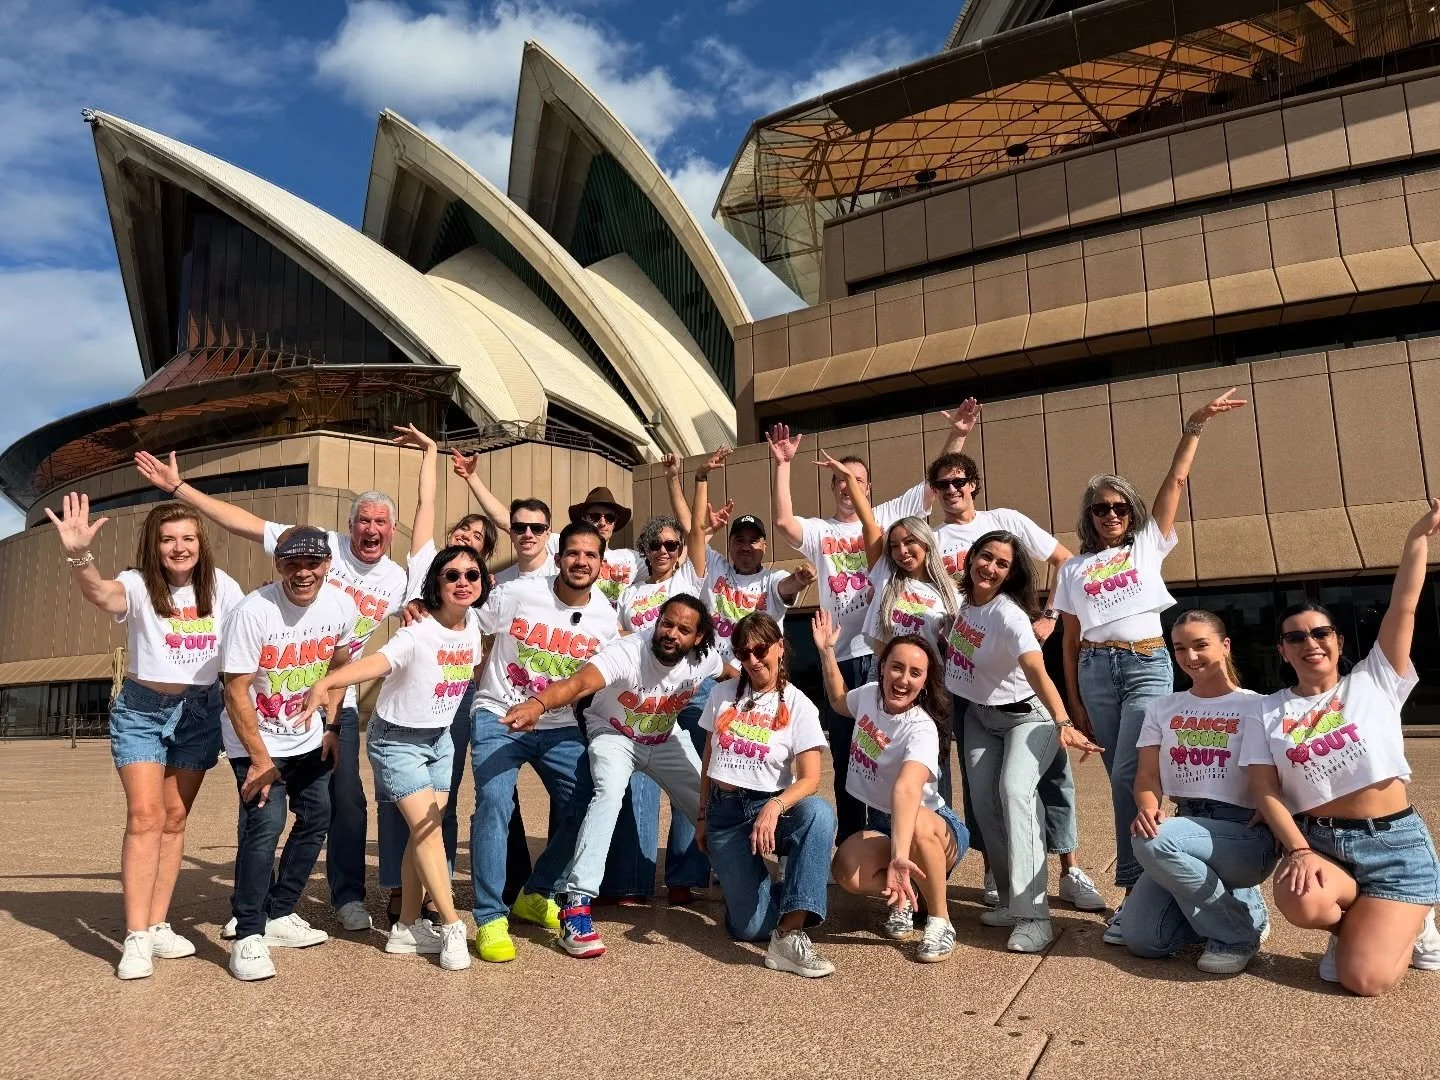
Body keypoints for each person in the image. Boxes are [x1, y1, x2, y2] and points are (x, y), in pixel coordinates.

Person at [135, 447, 412, 932]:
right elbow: (242, 522)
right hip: (268, 702)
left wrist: (421, 606)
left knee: (341, 802)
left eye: (381, 522)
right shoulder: (310, 544)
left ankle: (343, 897)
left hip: (330, 703)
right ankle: (254, 913)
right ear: (348, 528)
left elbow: (431, 593)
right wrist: (179, 488)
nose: (371, 529)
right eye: (364, 520)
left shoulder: (396, 580)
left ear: (392, 530)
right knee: (264, 811)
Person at [1053, 388, 1246, 943]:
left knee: (1130, 773)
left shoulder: (1146, 546)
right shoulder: (1074, 569)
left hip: (1144, 664)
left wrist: (1194, 426)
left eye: (1120, 507)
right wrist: (1074, 702)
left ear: (1131, 513)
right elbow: (1070, 640)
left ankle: (1137, 882)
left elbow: (1175, 483)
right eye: (1101, 508)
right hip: (1095, 670)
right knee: (1126, 777)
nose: (1111, 515)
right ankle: (1152, 877)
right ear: (1089, 516)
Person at [1241, 501, 1440, 996]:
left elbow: (1404, 605)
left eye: (1320, 632)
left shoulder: (1375, 679)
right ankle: (1363, 925)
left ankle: (1416, 922)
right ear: (1282, 650)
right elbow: (1265, 790)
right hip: (1323, 842)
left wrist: (1417, 539)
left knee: (1363, 980)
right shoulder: (1266, 710)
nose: (1310, 642)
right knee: (1300, 899)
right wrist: (1299, 848)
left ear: (1338, 640)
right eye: (1295, 637)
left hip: (1393, 844)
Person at [47, 496, 244, 980]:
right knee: (145, 816)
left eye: (188, 538)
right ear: (153, 546)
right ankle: (135, 936)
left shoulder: (221, 586)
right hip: (143, 710)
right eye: (168, 539)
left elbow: (251, 629)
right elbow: (101, 594)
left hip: (200, 710)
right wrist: (79, 555)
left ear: (200, 543)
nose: (179, 547)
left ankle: (158, 924)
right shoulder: (137, 584)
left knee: (174, 819)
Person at [768, 403, 975, 844]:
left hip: (885, 654)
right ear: (832, 488)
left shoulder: (887, 520)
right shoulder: (820, 531)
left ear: (868, 487)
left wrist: (957, 434)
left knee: (906, 749)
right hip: (840, 654)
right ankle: (853, 841)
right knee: (850, 753)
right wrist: (783, 464)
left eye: (856, 480)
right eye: (841, 481)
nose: (848, 486)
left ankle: (928, 833)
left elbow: (933, 486)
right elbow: (783, 521)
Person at [923, 430, 1100, 914]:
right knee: (982, 787)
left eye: (959, 481)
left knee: (1046, 781)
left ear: (974, 485)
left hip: (1021, 683)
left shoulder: (1005, 523)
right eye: (942, 484)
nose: (952, 490)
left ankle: (1069, 869)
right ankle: (999, 873)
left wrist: (1050, 617)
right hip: (972, 684)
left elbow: (1064, 561)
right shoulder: (932, 541)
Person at [500, 595, 724, 958]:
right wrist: (538, 704)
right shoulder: (629, 652)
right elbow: (578, 684)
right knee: (606, 796)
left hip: (665, 739)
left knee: (713, 808)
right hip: (613, 735)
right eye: (667, 623)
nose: (671, 633)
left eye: (683, 630)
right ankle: (576, 905)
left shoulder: (704, 658)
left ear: (698, 638)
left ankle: (744, 884)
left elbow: (728, 672)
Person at [301, 544, 488, 972]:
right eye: (452, 575)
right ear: (436, 583)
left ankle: (405, 927)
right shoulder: (418, 632)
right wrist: (328, 682)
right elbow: (378, 662)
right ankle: (453, 924)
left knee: (424, 833)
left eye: (472, 575)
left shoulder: (473, 625)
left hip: (440, 739)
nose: (463, 582)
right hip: (397, 741)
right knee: (428, 831)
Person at [377, 427, 531, 928]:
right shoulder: (428, 564)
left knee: (441, 798)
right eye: (461, 531)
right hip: (408, 697)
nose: (466, 539)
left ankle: (432, 889)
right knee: (401, 798)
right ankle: (401, 887)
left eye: (477, 539)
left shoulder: (482, 593)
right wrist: (431, 452)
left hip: (457, 698)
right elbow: (425, 502)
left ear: (485, 558)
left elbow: (493, 647)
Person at [467, 521, 619, 962]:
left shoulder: (606, 619)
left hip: (560, 725)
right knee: (494, 805)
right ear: (558, 558)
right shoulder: (519, 593)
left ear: (602, 565)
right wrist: (424, 608)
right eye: (573, 553)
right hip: (499, 713)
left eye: (590, 555)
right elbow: (469, 618)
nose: (581, 561)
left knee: (587, 803)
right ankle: (490, 917)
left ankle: (537, 893)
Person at [946, 532, 1103, 953]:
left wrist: (1063, 720)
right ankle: (1012, 901)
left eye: (1002, 564)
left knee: (1015, 793)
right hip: (980, 717)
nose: (991, 568)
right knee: (984, 805)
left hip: (1027, 717)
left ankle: (1035, 918)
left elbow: (1036, 669)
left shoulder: (1008, 615)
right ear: (971, 558)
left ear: (1011, 574)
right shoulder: (964, 603)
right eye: (986, 557)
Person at [217, 527, 357, 981]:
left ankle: (278, 911)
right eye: (292, 563)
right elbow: (235, 691)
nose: (303, 572)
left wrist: (332, 726)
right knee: (265, 826)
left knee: (318, 816)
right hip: (255, 741)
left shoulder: (341, 606)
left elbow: (339, 668)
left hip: (308, 738)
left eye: (312, 563)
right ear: (278, 565)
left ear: (327, 564)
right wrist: (260, 761)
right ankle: (248, 933)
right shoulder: (252, 612)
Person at [1124, 611, 1273, 974]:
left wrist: (1274, 805)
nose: (1190, 656)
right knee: (1144, 940)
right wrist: (1148, 807)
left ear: (1225, 646)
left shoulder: (1258, 705)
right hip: (1187, 823)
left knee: (1154, 842)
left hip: (1244, 831)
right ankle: (1234, 903)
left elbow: (1283, 771)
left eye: (1201, 645)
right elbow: (1147, 776)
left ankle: (1237, 934)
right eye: (1180, 648)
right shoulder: (1163, 707)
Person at [815, 615, 970, 963]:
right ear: (882, 668)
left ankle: (940, 921)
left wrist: (899, 857)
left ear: (925, 682)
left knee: (914, 823)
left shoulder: (921, 728)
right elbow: (838, 700)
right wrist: (827, 652)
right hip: (885, 824)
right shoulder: (869, 696)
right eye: (897, 668)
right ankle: (906, 896)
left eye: (915, 673)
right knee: (846, 869)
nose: (903, 679)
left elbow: (906, 791)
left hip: (932, 828)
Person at [697, 612, 837, 977]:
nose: (753, 660)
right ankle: (789, 893)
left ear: (779, 647)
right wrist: (701, 816)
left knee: (819, 814)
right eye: (743, 653)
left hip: (769, 807)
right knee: (750, 928)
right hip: (725, 814)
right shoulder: (722, 694)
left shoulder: (799, 704)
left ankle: (790, 933)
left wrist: (775, 805)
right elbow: (709, 757)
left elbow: (810, 779)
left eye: (760, 650)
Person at [614, 508, 713, 906]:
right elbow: (617, 634)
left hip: (692, 688)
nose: (663, 551)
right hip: (646, 692)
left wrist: (690, 480)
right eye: (655, 545)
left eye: (672, 545)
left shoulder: (688, 579)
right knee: (640, 779)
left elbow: (696, 530)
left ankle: (684, 877)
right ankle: (635, 881)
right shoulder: (630, 592)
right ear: (646, 549)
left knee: (694, 775)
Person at [814, 452, 959, 653]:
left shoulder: (949, 592)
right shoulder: (885, 574)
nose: (902, 551)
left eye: (910, 542)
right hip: (883, 667)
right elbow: (869, 523)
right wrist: (848, 478)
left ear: (926, 543)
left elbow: (959, 650)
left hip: (928, 670)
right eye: (893, 546)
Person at [684, 447, 812, 666]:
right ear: (729, 543)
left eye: (753, 540)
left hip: (757, 672)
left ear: (764, 546)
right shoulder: (715, 567)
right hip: (713, 674)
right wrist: (701, 477)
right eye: (739, 540)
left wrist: (799, 580)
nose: (746, 547)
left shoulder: (772, 578)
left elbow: (786, 586)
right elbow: (693, 533)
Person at [452, 448, 557, 583]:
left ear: (548, 533)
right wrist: (470, 477)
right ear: (512, 532)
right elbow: (503, 519)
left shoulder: (563, 563)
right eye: (519, 528)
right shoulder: (500, 582)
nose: (528, 534)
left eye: (537, 528)